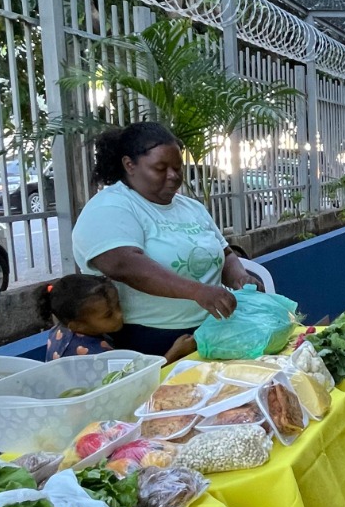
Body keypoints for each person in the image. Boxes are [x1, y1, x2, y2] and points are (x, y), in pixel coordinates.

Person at [72, 122, 254, 357]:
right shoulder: (110, 206)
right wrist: (197, 291)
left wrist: (240, 276)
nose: (173, 176)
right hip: (153, 341)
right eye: (160, 168)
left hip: (213, 331)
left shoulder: (192, 208)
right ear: (130, 165)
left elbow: (225, 252)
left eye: (178, 168)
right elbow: (123, 264)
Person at [42, 273, 197, 363]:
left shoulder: (60, 330)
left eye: (118, 305)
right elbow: (133, 385)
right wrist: (175, 353)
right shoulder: (96, 355)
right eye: (108, 315)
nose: (119, 315)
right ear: (78, 326)